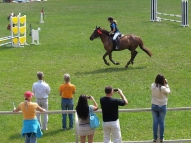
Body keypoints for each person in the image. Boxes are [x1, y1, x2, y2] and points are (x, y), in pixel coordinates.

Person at [151, 74, 171, 142]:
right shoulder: (163, 88)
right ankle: (161, 138)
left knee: (155, 122)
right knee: (161, 122)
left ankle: (155, 138)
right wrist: (166, 84)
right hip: (162, 106)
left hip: (154, 105)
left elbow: (155, 84)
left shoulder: (152, 86)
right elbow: (168, 91)